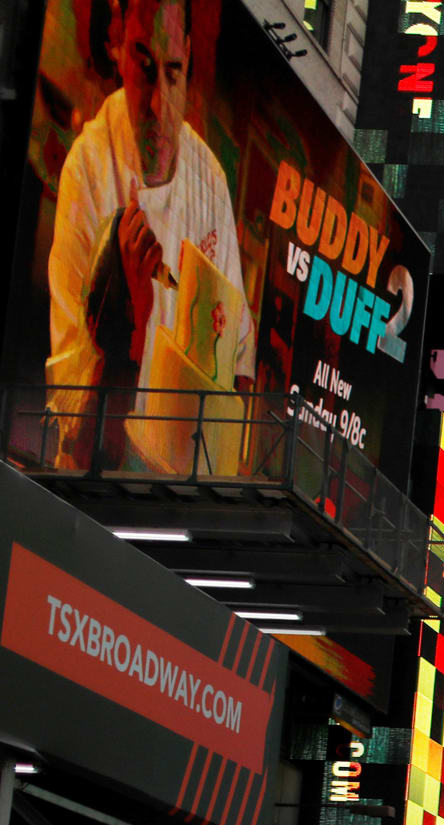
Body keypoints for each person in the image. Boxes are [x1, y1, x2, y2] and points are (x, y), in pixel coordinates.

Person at [46, 0, 253, 472]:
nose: (159, 103)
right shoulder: (88, 167)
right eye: (144, 65)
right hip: (97, 481)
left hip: (175, 481)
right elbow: (73, 422)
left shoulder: (210, 180)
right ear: (117, 45)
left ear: (189, 69)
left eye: (174, 73)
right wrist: (125, 326)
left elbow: (238, 359)